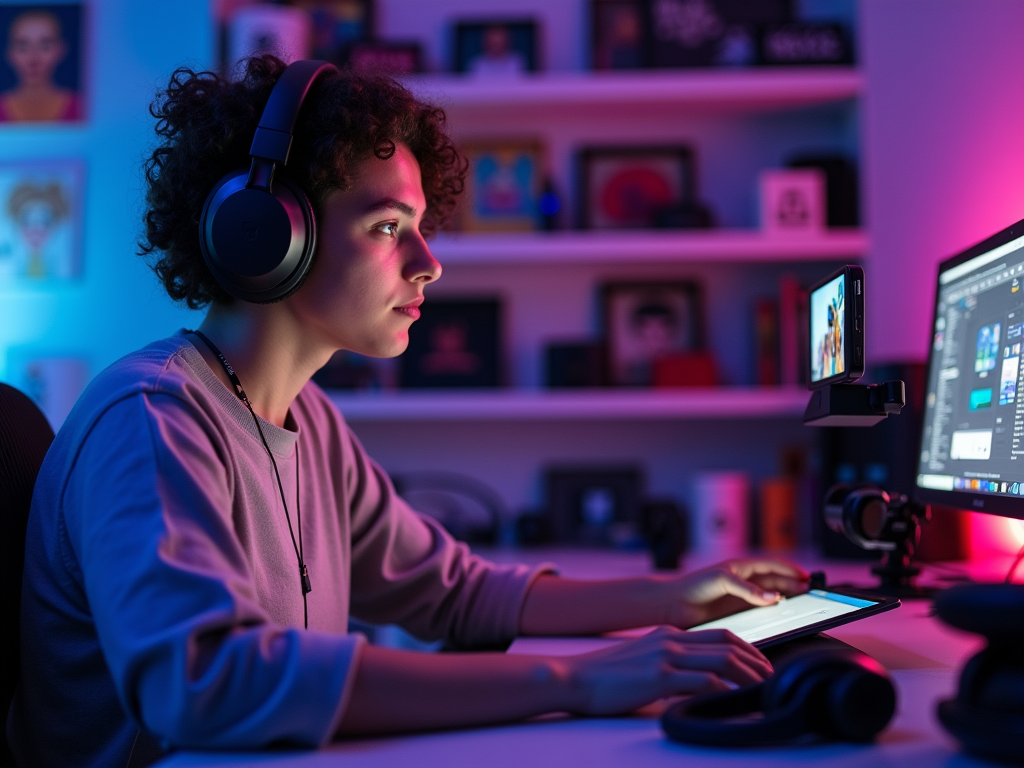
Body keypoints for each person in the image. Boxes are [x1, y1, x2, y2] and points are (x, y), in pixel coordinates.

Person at [7, 56, 808, 767]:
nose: (428, 264)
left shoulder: (309, 422)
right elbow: (206, 684)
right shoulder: (153, 419)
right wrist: (575, 679)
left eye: (419, 228)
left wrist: (675, 598)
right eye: (388, 227)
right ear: (264, 235)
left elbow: (454, 592)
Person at [0, 8, 81, 123]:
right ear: (10, 53)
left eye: (45, 46)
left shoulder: (84, 107)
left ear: (61, 50)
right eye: (23, 47)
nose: (33, 57)